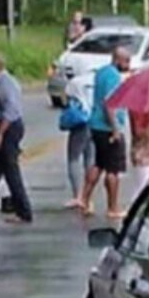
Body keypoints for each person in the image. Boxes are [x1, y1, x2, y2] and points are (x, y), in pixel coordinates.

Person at [0, 53, 33, 223]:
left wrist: (0, 133)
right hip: (3, 128)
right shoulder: (1, 83)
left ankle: (24, 212)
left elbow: (11, 111)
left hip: (9, 129)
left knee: (11, 171)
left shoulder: (6, 84)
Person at [78, 47, 131, 219]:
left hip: (96, 126)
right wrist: (115, 129)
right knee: (113, 170)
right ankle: (113, 207)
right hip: (108, 128)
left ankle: (84, 199)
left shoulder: (101, 73)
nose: (128, 65)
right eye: (126, 61)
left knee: (99, 163)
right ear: (118, 60)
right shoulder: (113, 76)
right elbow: (110, 104)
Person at [62, 75, 94, 209]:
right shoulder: (95, 80)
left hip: (80, 122)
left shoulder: (75, 82)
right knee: (90, 158)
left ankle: (78, 195)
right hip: (94, 120)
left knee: (73, 158)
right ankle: (88, 196)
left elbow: (66, 99)